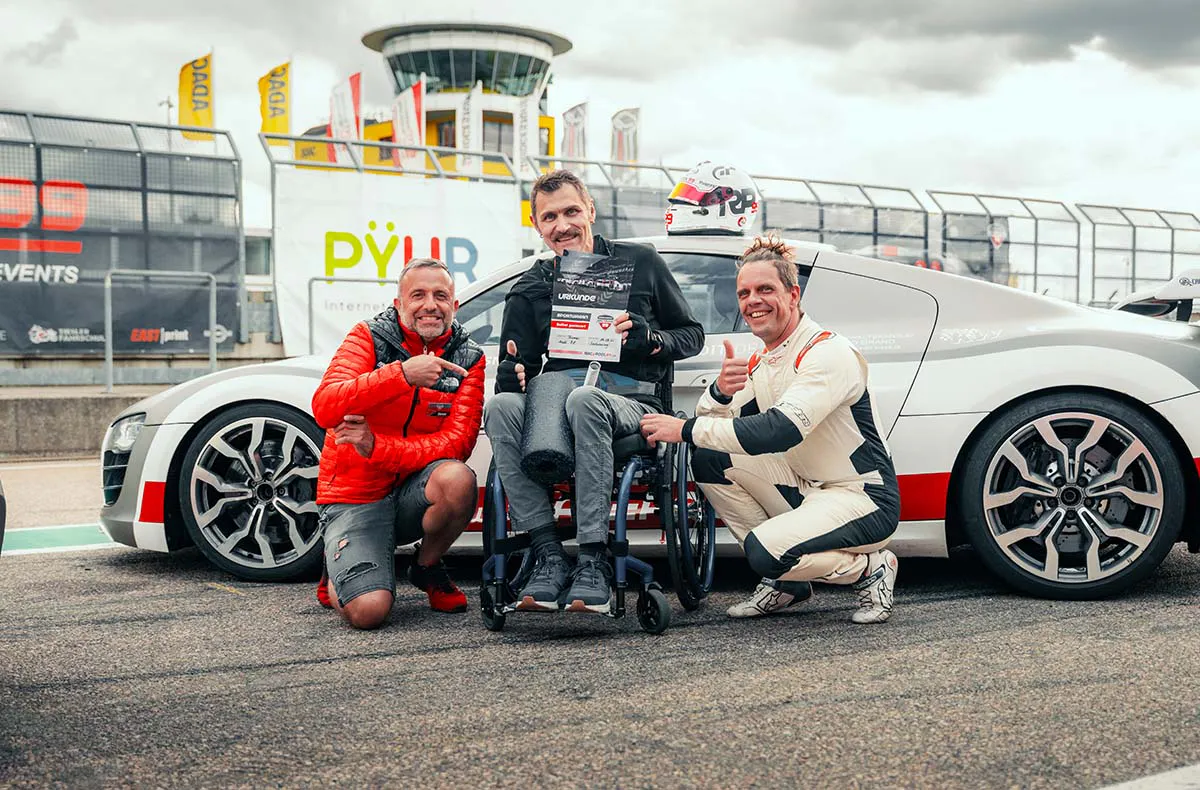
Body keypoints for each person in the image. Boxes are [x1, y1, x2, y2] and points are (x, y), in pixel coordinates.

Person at [640, 234, 901, 624]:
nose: (752, 301)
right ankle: (787, 583)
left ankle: (870, 568)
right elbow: (719, 427)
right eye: (744, 293)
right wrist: (720, 392)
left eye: (765, 289)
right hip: (808, 488)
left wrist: (685, 428)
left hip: (863, 498)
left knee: (764, 554)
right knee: (710, 458)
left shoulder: (827, 351)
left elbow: (779, 431)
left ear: (793, 295)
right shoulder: (765, 359)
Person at [483, 169, 705, 615]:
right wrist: (511, 376)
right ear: (537, 225)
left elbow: (691, 335)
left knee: (584, 401)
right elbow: (519, 367)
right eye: (549, 217)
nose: (562, 225)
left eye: (570, 211)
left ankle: (592, 558)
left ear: (590, 211)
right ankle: (547, 552)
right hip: (557, 405)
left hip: (633, 402)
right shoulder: (529, 288)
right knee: (502, 406)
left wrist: (649, 338)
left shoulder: (640, 262)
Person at [311, 258, 485, 630]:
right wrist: (401, 374)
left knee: (458, 479)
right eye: (418, 295)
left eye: (440, 296)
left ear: (454, 305)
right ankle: (337, 560)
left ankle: (426, 566)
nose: (430, 305)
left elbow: (458, 443)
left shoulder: (470, 357)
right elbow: (325, 406)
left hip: (412, 494)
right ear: (398, 304)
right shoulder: (368, 337)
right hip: (356, 496)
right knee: (369, 612)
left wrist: (377, 447)